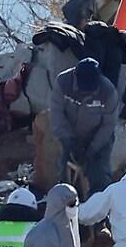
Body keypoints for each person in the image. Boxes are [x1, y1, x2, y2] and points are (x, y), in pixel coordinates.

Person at [50, 57, 119, 195]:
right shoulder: (63, 82)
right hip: (70, 135)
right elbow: (56, 113)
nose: (86, 91)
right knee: (66, 172)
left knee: (99, 174)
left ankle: (99, 207)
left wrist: (92, 150)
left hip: (98, 137)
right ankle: (67, 205)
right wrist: (68, 141)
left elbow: (108, 124)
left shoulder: (108, 91)